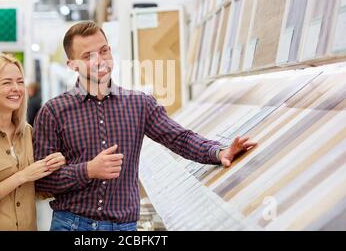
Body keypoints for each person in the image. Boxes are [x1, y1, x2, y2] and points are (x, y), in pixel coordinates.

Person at [34, 21, 258, 231]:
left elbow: (179, 138)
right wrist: (88, 170)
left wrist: (219, 152)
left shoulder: (139, 104)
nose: (100, 60)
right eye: (87, 56)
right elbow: (43, 181)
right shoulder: (53, 112)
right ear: (71, 65)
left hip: (124, 227)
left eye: (104, 50)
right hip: (72, 224)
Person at [0, 53, 66, 231]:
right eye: (7, 82)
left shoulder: (27, 132)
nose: (16, 88)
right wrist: (22, 176)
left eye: (20, 81)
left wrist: (51, 167)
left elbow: (35, 191)